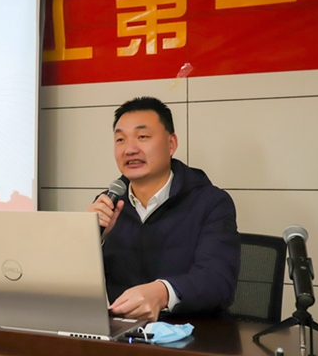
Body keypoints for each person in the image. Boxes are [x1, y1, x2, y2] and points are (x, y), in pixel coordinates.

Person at [87, 96, 239, 322]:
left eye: (142, 137)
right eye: (120, 139)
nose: (130, 149)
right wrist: (90, 240)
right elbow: (76, 286)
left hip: (193, 333)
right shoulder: (107, 205)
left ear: (171, 144)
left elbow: (218, 281)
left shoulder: (211, 203)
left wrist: (163, 293)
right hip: (121, 332)